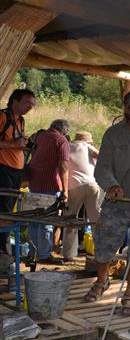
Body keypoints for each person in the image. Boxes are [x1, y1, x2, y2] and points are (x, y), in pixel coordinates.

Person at [84, 88, 130, 318]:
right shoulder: (113, 135)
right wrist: (112, 185)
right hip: (116, 203)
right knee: (105, 244)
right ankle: (101, 281)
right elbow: (102, 167)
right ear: (127, 109)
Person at [27, 119, 71, 264]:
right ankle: (44, 255)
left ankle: (32, 252)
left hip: (34, 181)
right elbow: (64, 167)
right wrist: (65, 190)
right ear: (65, 131)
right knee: (46, 221)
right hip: (50, 184)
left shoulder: (40, 136)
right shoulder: (61, 141)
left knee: (34, 220)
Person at [0, 89, 35, 254]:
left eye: (32, 105)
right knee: (3, 212)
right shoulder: (2, 117)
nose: (30, 107)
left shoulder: (20, 120)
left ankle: (4, 248)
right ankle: (2, 249)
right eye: (27, 103)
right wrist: (13, 145)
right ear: (15, 100)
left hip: (15, 172)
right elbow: (9, 143)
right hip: (3, 170)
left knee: (8, 212)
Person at [62, 131, 100, 261]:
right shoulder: (86, 146)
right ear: (88, 141)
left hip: (75, 186)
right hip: (91, 184)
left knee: (70, 218)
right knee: (95, 219)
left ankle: (69, 254)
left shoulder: (68, 147)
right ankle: (100, 251)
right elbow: (100, 155)